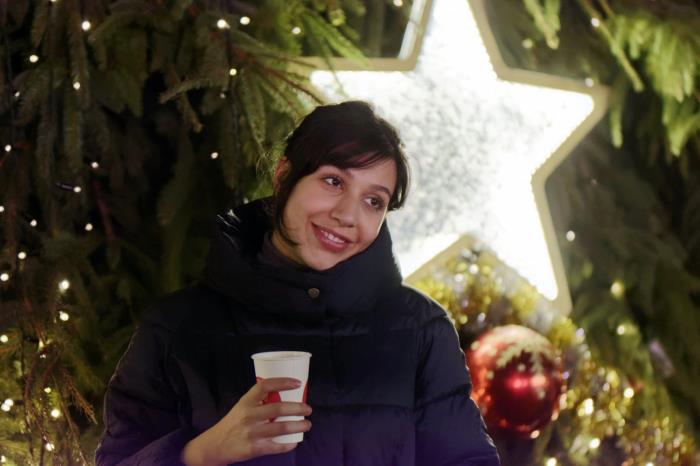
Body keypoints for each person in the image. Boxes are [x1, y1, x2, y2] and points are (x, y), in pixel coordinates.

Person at [95, 100, 500, 466]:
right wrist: (201, 453)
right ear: (284, 173)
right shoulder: (175, 328)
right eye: (333, 181)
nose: (347, 215)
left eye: (373, 200)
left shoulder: (421, 329)